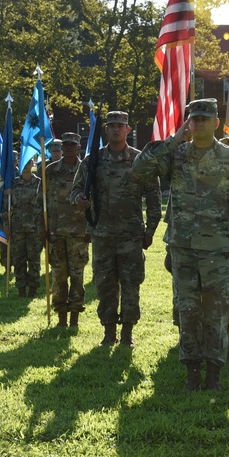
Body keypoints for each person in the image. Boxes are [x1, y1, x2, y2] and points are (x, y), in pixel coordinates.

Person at [132, 99, 229, 390]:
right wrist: (174, 140)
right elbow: (140, 168)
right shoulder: (176, 156)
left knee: (215, 312)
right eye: (193, 119)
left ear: (215, 123)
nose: (198, 124)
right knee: (187, 312)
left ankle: (213, 372)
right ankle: (191, 371)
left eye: (204, 119)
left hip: (218, 249)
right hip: (183, 248)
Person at [72, 111, 161, 348]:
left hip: (131, 235)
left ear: (128, 130)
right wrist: (79, 199)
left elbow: (154, 198)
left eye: (120, 126)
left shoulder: (140, 160)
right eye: (111, 125)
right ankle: (109, 332)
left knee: (131, 284)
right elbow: (76, 189)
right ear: (106, 129)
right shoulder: (93, 160)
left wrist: (150, 230)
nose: (115, 129)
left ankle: (128, 334)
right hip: (101, 234)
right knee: (104, 284)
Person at [45, 133, 89, 327]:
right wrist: (42, 228)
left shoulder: (86, 170)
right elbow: (42, 202)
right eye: (66, 145)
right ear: (61, 148)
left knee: (77, 276)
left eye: (73, 145)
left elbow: (93, 202)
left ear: (79, 147)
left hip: (79, 233)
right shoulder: (51, 170)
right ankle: (61, 315)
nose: (69, 148)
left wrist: (90, 228)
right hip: (55, 232)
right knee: (59, 276)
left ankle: (74, 317)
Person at [5, 157, 43, 296]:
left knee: (34, 259)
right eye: (24, 162)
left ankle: (33, 288)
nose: (27, 165)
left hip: (34, 227)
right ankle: (21, 288)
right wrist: (5, 225)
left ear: (33, 163)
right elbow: (6, 207)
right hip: (17, 227)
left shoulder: (40, 183)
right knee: (19, 259)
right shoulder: (13, 184)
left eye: (29, 162)